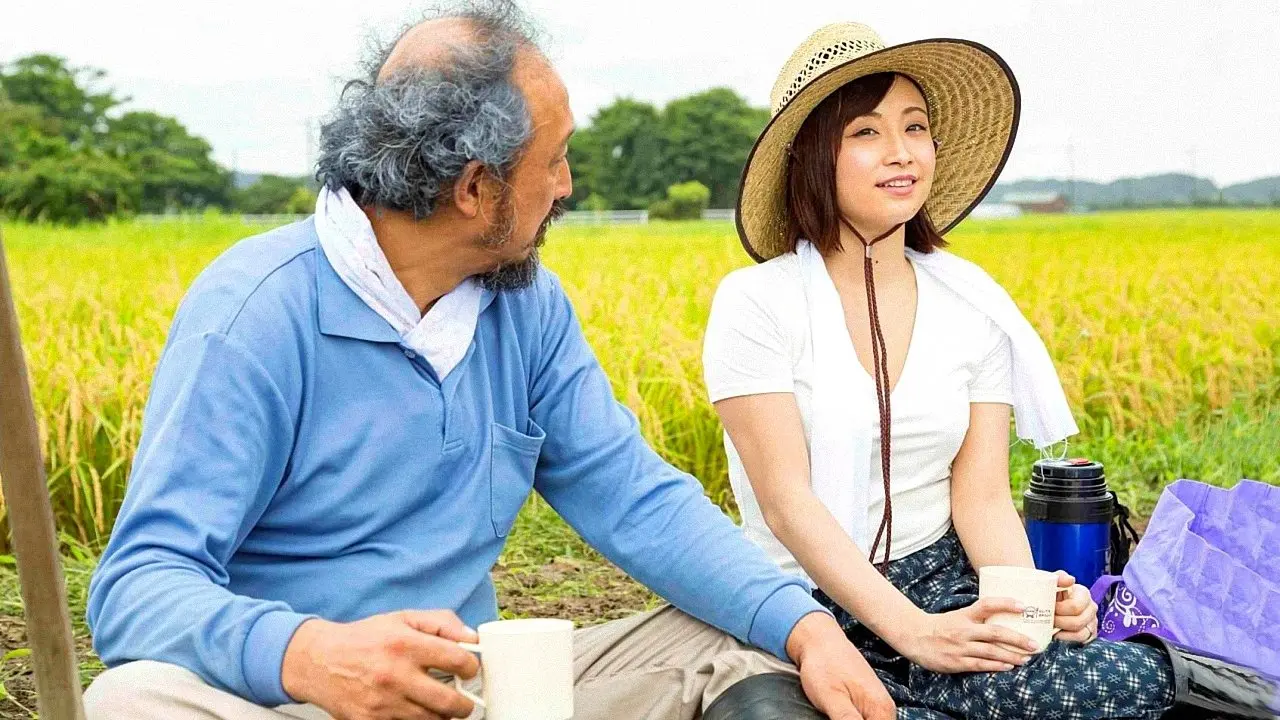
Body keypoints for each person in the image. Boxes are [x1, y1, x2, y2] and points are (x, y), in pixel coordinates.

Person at [80, 4, 897, 720]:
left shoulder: (525, 307)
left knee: (740, 640)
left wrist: (807, 625)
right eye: (555, 159)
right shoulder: (256, 312)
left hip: (472, 690)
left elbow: (635, 499)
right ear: (476, 189)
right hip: (295, 698)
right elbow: (139, 587)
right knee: (129, 701)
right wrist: (309, 654)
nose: (568, 186)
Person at [702, 22, 1180, 719]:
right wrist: (912, 634)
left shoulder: (973, 306)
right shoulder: (755, 303)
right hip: (804, 604)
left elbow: (981, 498)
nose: (901, 154)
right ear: (811, 156)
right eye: (865, 132)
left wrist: (1033, 606)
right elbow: (787, 503)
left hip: (942, 582)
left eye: (915, 127)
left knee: (1136, 681)